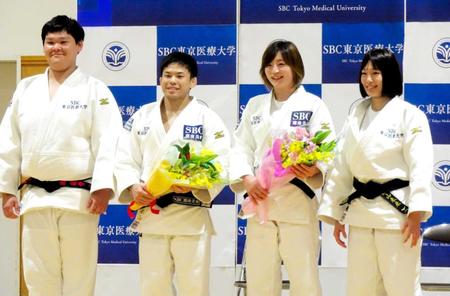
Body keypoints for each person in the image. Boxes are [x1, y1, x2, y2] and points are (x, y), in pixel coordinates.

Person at [0, 15, 122, 295]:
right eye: (50, 42)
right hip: (34, 197)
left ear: (79, 45)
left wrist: (103, 187)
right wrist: (7, 189)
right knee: (38, 276)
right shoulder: (26, 89)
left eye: (63, 42)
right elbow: (9, 140)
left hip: (79, 199)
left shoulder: (95, 90)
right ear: (43, 46)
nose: (56, 47)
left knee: (79, 277)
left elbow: (109, 140)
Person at [318, 48, 433, 296]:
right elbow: (342, 166)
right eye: (364, 73)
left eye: (376, 73)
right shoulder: (355, 115)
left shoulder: (410, 115)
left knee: (402, 287)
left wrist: (416, 213)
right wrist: (337, 213)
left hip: (396, 216)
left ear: (389, 75)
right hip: (360, 215)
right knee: (361, 288)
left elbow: (421, 165)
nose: (369, 79)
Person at [115, 51, 230, 296]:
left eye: (180, 75)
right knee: (153, 288)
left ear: (193, 81)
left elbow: (221, 161)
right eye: (167, 75)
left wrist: (195, 184)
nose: (172, 81)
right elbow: (125, 158)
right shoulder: (142, 116)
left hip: (190, 215)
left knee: (194, 288)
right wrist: (133, 187)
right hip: (152, 213)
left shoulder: (206, 118)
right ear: (160, 80)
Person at [230, 40, 335, 296]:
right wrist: (247, 178)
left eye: (281, 64)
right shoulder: (255, 105)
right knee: (260, 279)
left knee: (304, 279)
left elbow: (328, 147)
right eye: (269, 65)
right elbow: (240, 146)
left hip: (296, 200)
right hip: (260, 199)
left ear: (295, 67)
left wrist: (315, 169)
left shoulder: (313, 105)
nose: (274, 70)